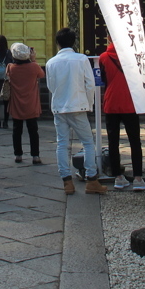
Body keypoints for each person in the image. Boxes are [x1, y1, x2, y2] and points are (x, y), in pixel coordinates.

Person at [46, 27, 106, 195]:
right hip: (78, 106)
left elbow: (51, 86)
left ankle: (67, 181)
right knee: (87, 142)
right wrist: (88, 103)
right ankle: (91, 178)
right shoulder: (81, 59)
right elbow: (90, 84)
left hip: (59, 107)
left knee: (62, 144)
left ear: (57, 43)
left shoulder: (51, 63)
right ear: (74, 42)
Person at [100, 40, 145, 190]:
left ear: (108, 39)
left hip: (111, 102)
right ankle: (138, 178)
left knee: (113, 142)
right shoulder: (133, 57)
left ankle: (118, 177)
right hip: (129, 102)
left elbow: (103, 80)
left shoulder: (104, 57)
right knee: (135, 141)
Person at [7, 43, 44, 165]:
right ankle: (35, 155)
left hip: (17, 103)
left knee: (17, 130)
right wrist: (33, 60)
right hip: (31, 103)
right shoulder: (33, 67)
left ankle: (18, 154)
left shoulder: (10, 68)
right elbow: (41, 75)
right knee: (33, 130)